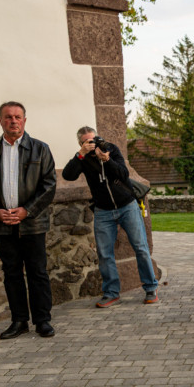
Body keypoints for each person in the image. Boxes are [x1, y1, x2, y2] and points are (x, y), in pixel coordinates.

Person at [0, 101, 57, 339]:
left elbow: (49, 186)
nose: (13, 121)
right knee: (12, 273)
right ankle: (19, 321)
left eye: (18, 117)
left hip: (32, 223)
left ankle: (43, 321)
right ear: (0, 121)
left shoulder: (40, 149)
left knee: (37, 272)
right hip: (3, 224)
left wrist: (27, 210)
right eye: (8, 117)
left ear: (24, 120)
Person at [62, 127, 159, 308]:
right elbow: (68, 175)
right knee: (105, 253)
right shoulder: (83, 158)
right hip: (103, 210)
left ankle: (151, 288)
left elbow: (123, 174)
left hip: (127, 206)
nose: (93, 144)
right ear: (81, 144)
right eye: (87, 142)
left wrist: (107, 160)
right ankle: (111, 293)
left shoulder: (111, 149)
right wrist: (80, 154)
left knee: (140, 247)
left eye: (94, 139)